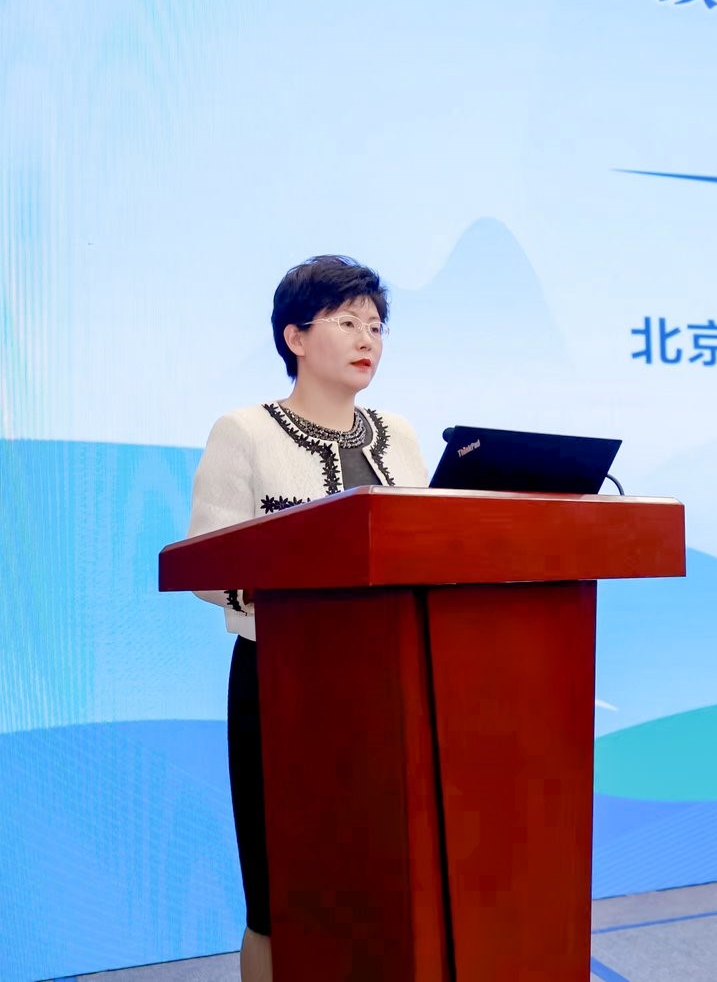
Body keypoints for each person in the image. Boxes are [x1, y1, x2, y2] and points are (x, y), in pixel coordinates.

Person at [186, 255, 430, 982]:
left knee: (378, 879)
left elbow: (426, 547)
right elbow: (206, 566)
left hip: (389, 689)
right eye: (347, 321)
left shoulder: (399, 434)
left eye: (376, 326)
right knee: (280, 888)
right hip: (282, 684)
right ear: (294, 336)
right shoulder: (245, 430)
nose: (367, 339)